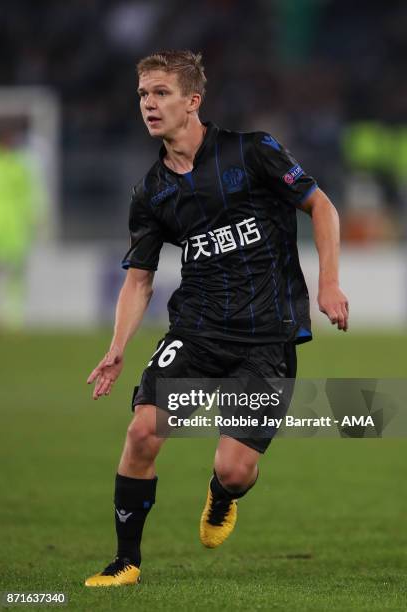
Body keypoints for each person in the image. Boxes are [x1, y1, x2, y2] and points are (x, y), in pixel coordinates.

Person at [85, 50, 349, 587]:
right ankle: (126, 561)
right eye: (143, 94)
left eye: (161, 93)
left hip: (265, 338)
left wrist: (328, 284)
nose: (150, 105)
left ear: (193, 101)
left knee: (234, 469)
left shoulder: (252, 153)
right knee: (141, 431)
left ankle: (222, 494)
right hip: (197, 333)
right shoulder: (152, 192)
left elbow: (322, 206)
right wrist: (116, 346)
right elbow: (139, 278)